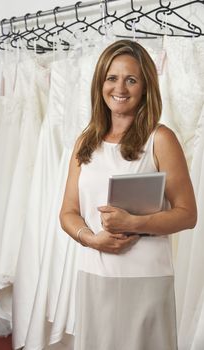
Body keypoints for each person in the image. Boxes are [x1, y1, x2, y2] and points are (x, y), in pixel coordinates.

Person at [59, 39, 197, 350]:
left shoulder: (160, 139)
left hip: (146, 277)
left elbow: (188, 214)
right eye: (112, 77)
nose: (120, 87)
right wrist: (91, 238)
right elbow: (68, 212)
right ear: (100, 84)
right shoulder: (86, 141)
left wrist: (132, 222)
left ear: (145, 86)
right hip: (94, 273)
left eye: (131, 79)